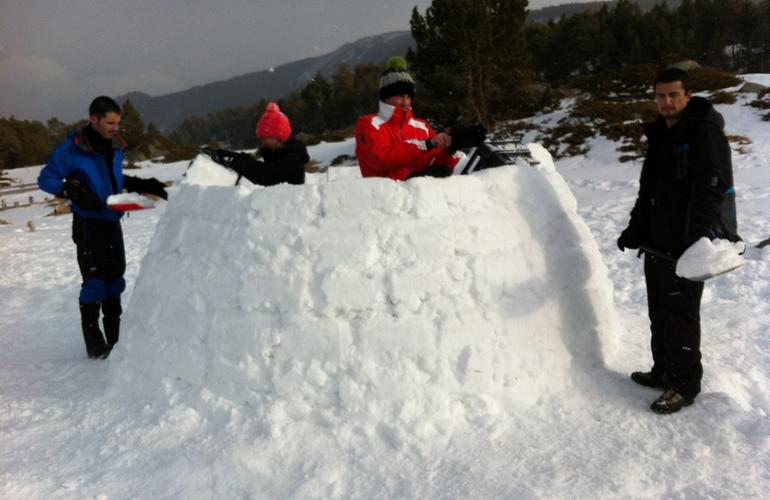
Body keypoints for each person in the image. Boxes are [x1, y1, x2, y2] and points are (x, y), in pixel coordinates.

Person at [617, 68, 739, 414]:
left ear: (688, 95)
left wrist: (695, 240)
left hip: (686, 244)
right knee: (659, 311)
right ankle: (663, 370)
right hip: (657, 241)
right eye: (660, 95)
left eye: (673, 95)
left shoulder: (703, 133)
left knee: (681, 314)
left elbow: (710, 190)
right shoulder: (660, 134)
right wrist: (635, 229)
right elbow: (649, 190)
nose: (666, 102)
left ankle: (684, 384)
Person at [38, 96, 168, 359]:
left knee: (115, 280)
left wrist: (142, 184)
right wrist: (69, 189)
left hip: (111, 221)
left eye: (117, 123)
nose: (114, 128)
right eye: (110, 122)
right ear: (93, 119)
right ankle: (95, 345)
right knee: (95, 283)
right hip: (88, 224)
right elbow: (46, 178)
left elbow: (114, 180)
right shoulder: (72, 148)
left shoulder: (114, 146)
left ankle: (115, 339)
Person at [355, 56, 486, 181]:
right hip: (386, 201)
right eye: (399, 96)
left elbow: (436, 163)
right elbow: (380, 158)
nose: (405, 102)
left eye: (408, 96)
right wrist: (425, 145)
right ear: (385, 96)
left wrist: (453, 147)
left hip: (420, 200)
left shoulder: (422, 126)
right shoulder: (369, 124)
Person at [205, 102, 308, 186]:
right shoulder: (275, 153)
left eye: (266, 138)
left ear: (278, 137)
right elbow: (251, 159)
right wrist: (222, 154)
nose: (263, 142)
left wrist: (233, 162)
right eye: (262, 138)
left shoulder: (293, 161)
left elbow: (265, 175)